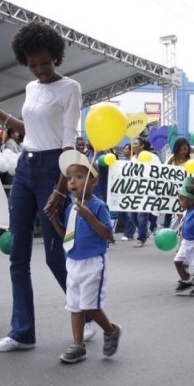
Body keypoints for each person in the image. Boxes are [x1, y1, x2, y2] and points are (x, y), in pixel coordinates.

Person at [0, 21, 88, 352]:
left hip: (52, 171)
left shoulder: (70, 88)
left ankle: (87, 316)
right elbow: (29, 129)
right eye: (32, 64)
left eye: (45, 62)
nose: (40, 69)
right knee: (18, 254)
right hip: (25, 168)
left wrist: (61, 189)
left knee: (57, 256)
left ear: (55, 56)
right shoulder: (32, 89)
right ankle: (22, 332)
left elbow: (68, 142)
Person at [46, 150, 121, 364]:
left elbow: (108, 234)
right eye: (69, 178)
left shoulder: (98, 206)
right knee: (75, 306)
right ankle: (78, 346)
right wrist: (54, 221)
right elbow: (67, 237)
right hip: (73, 261)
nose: (72, 182)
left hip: (93, 262)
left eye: (79, 176)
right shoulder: (71, 207)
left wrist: (89, 216)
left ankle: (111, 329)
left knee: (89, 306)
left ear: (94, 181)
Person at [173, 176, 194, 296]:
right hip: (186, 242)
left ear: (192, 201)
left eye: (182, 199)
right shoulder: (186, 211)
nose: (180, 201)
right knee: (177, 261)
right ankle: (185, 280)